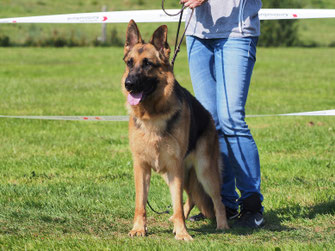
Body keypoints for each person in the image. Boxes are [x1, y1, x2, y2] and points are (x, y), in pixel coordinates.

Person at [180, 0, 264, 228]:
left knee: (231, 119)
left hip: (236, 31)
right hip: (197, 33)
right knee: (211, 123)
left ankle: (252, 205)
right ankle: (223, 204)